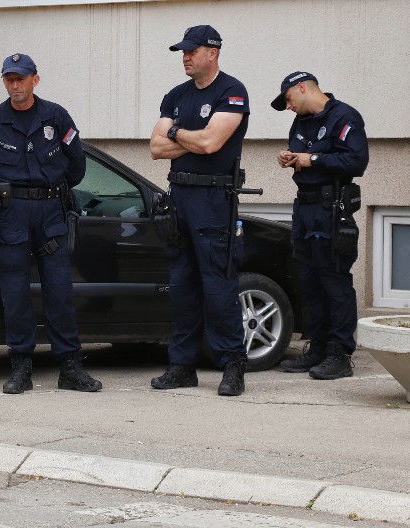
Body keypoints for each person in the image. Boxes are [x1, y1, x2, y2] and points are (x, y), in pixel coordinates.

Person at [0, 53, 102, 395]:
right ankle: (21, 367)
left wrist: (54, 191)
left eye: (21, 78)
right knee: (15, 295)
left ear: (35, 80)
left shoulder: (56, 116)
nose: (15, 85)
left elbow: (77, 166)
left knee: (59, 292)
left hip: (51, 212)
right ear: (4, 82)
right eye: (9, 79)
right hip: (11, 215)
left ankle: (70, 367)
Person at [149, 25, 250, 396]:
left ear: (213, 52)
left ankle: (233, 365)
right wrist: (188, 137)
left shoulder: (232, 91)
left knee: (218, 286)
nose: (186, 57)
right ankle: (182, 366)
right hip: (181, 198)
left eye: (192, 51)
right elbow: (155, 148)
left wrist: (177, 133)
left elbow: (211, 143)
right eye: (183, 51)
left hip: (213, 200)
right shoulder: (176, 95)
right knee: (183, 286)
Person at [272, 72, 368, 379]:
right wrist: (290, 158)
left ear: (302, 88)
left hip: (331, 209)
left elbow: (356, 162)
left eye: (288, 99)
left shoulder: (344, 116)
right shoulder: (300, 121)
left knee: (334, 280)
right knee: (309, 281)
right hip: (305, 206)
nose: (287, 106)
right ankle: (317, 347)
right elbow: (303, 155)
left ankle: (339, 354)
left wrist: (313, 158)